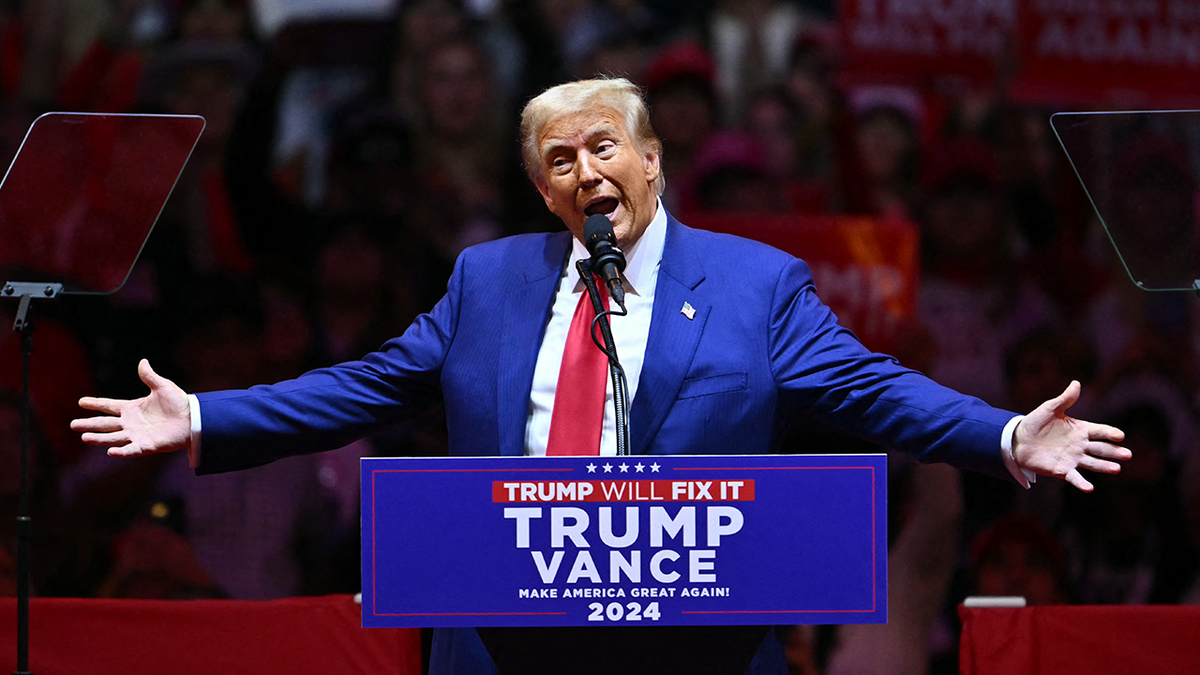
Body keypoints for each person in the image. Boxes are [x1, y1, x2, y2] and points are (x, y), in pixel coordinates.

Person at [73, 78, 1129, 675]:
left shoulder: (755, 285)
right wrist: (206, 417)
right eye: (559, 160)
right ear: (544, 191)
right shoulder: (486, 282)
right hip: (504, 636)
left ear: (654, 160)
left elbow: (870, 386)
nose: (586, 171)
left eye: (603, 146)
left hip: (699, 644)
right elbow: (366, 383)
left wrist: (1003, 435)